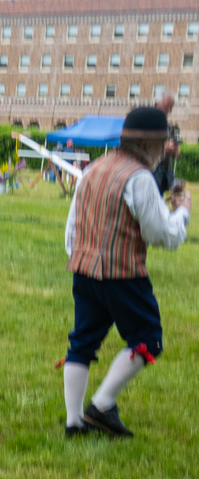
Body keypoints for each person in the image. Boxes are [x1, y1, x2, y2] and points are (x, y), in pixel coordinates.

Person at [62, 106, 191, 438]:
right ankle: (102, 404)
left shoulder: (93, 168)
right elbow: (162, 235)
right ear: (148, 145)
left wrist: (82, 258)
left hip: (83, 269)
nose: (164, 152)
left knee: (82, 342)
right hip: (123, 274)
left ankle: (74, 423)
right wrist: (183, 212)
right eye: (162, 144)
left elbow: (72, 227)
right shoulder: (140, 178)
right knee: (148, 339)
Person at [153, 89, 179, 196]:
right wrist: (163, 150)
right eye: (166, 107)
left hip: (165, 172)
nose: (169, 111)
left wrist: (174, 150)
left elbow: (176, 156)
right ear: (156, 104)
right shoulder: (147, 124)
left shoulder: (170, 128)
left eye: (171, 107)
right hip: (151, 171)